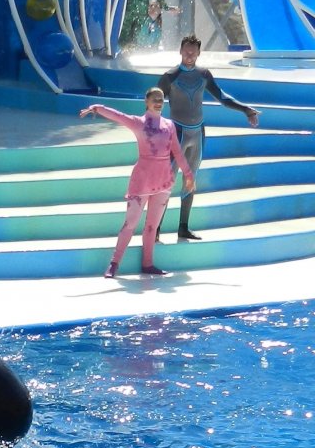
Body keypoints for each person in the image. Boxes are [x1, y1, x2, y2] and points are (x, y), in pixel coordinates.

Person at [80, 87, 194, 279]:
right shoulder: (138, 123)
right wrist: (97, 107)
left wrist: (189, 175)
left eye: (161, 99)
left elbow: (177, 151)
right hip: (142, 181)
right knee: (130, 224)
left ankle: (148, 263)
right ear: (146, 102)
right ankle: (114, 264)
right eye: (155, 99)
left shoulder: (169, 125)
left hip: (164, 181)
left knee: (152, 226)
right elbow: (119, 116)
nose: (158, 102)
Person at [157, 34, 260, 240]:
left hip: (197, 133)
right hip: (176, 133)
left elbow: (222, 97)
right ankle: (156, 228)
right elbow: (154, 104)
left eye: (193, 51)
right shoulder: (170, 76)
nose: (189, 54)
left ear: (198, 53)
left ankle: (183, 227)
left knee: (190, 179)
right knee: (166, 182)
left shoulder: (204, 75)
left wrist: (246, 109)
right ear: (180, 51)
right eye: (186, 50)